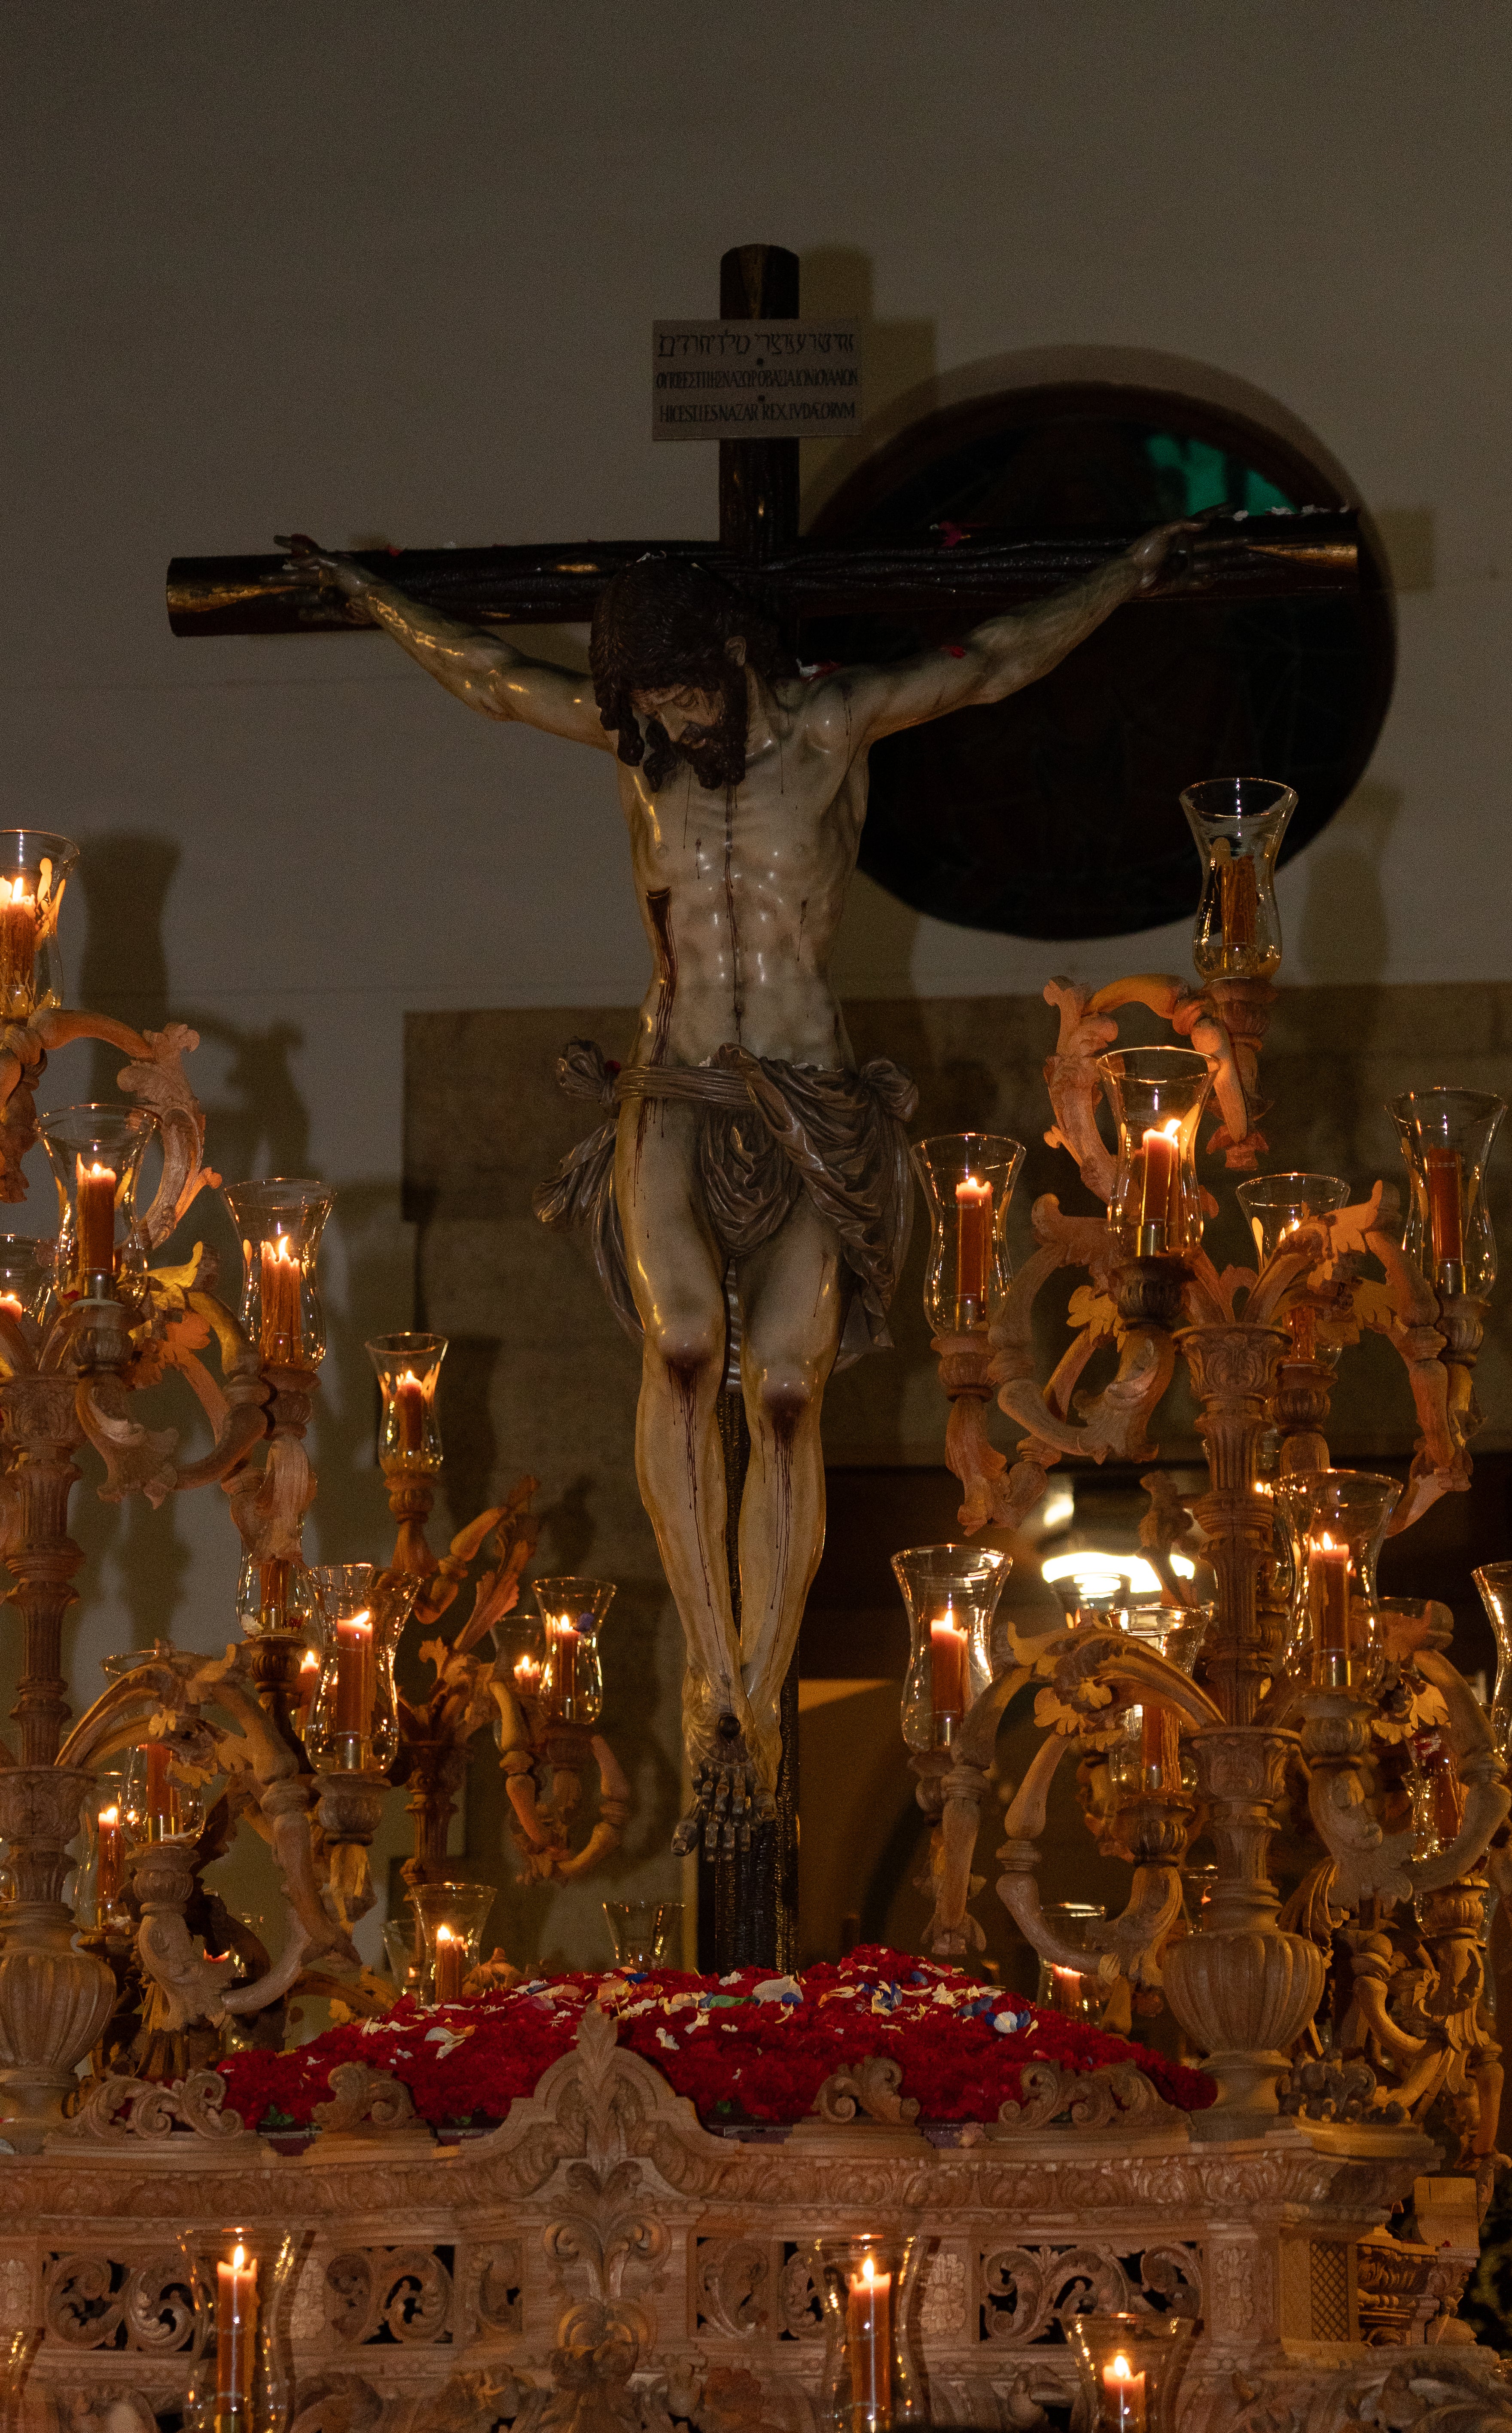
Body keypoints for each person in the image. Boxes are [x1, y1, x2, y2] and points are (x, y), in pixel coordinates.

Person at [285, 527, 1191, 1848]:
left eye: (680, 695)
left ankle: (762, 1682)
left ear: (732, 657)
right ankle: (714, 1672)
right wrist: (368, 595)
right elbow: (487, 676)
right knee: (679, 1348)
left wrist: (1131, 573)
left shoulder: (832, 730)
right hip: (673, 1085)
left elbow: (996, 663)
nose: (661, 723)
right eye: (639, 705)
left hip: (812, 1097)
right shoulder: (638, 756)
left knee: (780, 1391)